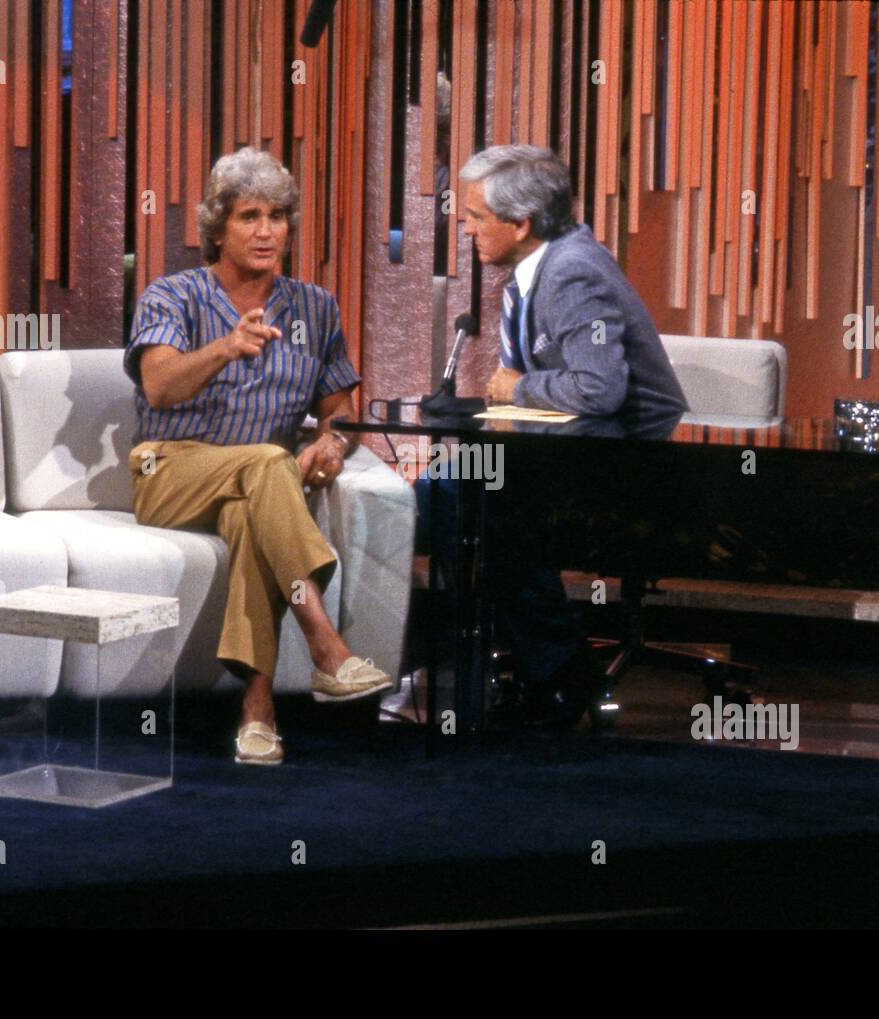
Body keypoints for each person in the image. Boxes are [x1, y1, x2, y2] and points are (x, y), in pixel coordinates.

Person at [125, 147, 393, 767]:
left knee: (259, 502)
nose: (267, 230)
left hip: (257, 482)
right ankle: (326, 645)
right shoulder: (172, 296)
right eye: (249, 216)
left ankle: (258, 711)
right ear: (217, 229)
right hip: (166, 470)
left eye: (278, 216)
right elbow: (161, 385)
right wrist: (225, 347)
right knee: (271, 464)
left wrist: (332, 442)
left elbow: (339, 408)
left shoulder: (314, 308)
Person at [419, 144, 688, 727]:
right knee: (449, 488)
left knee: (454, 497)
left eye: (474, 217)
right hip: (571, 455)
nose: (465, 229)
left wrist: (516, 389)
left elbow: (598, 389)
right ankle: (533, 662)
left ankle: (557, 670)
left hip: (632, 469)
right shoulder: (546, 265)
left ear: (521, 223)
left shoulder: (571, 272)